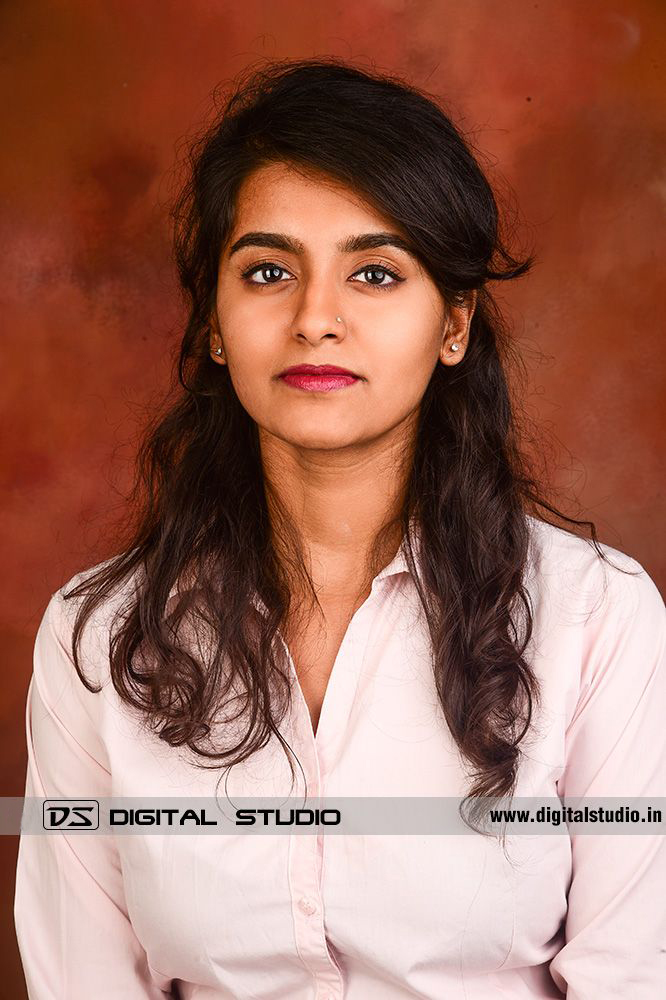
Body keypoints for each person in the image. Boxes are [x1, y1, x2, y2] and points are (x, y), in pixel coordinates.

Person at [14, 57, 666, 999]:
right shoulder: (96, 636)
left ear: (454, 324)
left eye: (374, 272)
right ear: (213, 324)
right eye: (270, 270)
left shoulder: (599, 619)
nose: (317, 319)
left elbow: (633, 978)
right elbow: (84, 980)